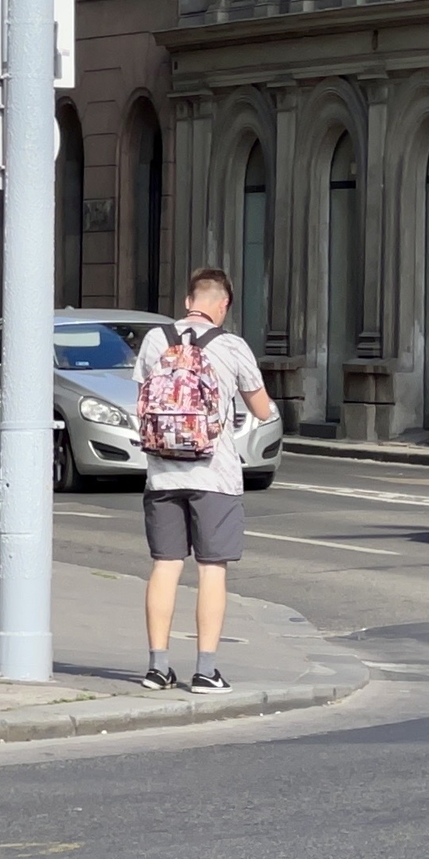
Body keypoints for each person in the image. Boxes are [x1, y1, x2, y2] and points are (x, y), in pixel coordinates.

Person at [133, 268, 276, 691]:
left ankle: (158, 668)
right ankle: (205, 670)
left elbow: (141, 394)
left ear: (187, 301)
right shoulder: (231, 345)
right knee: (212, 569)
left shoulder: (155, 340)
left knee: (165, 565)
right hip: (215, 474)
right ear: (224, 305)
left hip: (161, 473)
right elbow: (263, 409)